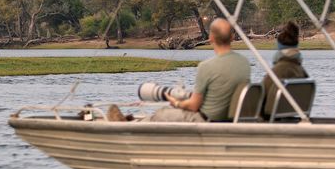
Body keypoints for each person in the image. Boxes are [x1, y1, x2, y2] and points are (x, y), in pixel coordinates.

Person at [107, 18, 250, 122]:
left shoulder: (206, 66)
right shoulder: (244, 63)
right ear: (232, 37)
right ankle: (131, 120)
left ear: (211, 38)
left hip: (206, 119)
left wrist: (176, 102)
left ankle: (127, 125)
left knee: (162, 113)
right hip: (229, 118)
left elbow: (193, 106)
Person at [261, 21, 308, 119]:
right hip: (291, 116)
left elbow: (261, 99)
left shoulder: (276, 72)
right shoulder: (302, 72)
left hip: (271, 119)